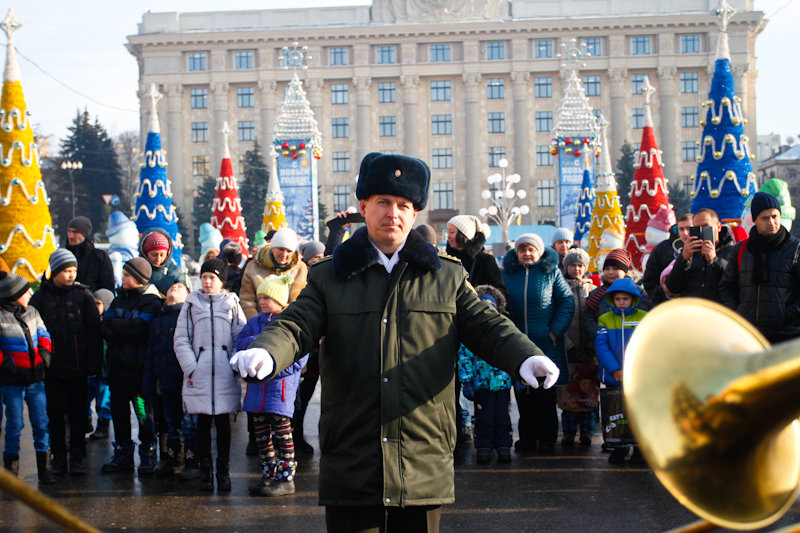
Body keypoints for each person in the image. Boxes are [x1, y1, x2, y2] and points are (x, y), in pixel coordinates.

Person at [231, 152, 559, 532]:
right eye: (383, 202)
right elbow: (295, 325)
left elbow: (487, 326)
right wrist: (266, 351)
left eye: (404, 205)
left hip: (421, 451)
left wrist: (526, 357)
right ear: (363, 207)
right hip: (353, 450)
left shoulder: (445, 277)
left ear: (415, 213)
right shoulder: (331, 277)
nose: (393, 213)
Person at [174, 258, 246, 492]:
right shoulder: (191, 304)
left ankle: (223, 471)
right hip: (200, 374)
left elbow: (241, 337)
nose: (206, 281)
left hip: (225, 374)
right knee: (202, 424)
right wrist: (191, 367)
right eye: (204, 277)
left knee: (223, 425)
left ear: (221, 281)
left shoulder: (232, 303)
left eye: (212, 277)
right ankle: (206, 472)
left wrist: (234, 364)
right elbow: (181, 338)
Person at [30, 249, 102, 475]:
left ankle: (78, 454)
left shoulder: (83, 295)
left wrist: (93, 364)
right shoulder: (40, 298)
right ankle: (58, 455)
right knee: (54, 414)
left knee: (79, 413)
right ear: (55, 271)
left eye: (74, 270)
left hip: (79, 368)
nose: (71, 275)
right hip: (51, 370)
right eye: (66, 271)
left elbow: (94, 332)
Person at [502, 234, 574, 453]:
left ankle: (547, 439)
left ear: (540, 252)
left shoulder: (551, 274)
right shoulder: (507, 275)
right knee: (523, 395)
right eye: (522, 249)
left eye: (531, 249)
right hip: (517, 346)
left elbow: (567, 301)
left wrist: (554, 331)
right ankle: (527, 438)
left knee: (544, 394)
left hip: (545, 345)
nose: (527, 253)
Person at [237, 274, 307, 497]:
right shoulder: (253, 323)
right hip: (256, 394)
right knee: (261, 437)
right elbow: (240, 345)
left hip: (279, 393)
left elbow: (298, 359)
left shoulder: (290, 323)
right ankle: (267, 476)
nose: (262, 302)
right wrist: (258, 346)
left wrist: (272, 366)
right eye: (260, 297)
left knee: (284, 436)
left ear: (280, 300)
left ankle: (286, 478)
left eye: (267, 297)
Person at [101, 257, 162, 474]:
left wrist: (118, 328)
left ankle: (148, 452)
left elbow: (140, 329)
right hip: (117, 371)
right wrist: (123, 328)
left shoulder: (151, 302)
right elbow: (104, 327)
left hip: (138, 373)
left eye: (127, 275)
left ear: (138, 278)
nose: (123, 278)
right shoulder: (119, 300)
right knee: (119, 414)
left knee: (144, 415)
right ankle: (123, 452)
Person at [719, 192, 800, 343]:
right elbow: (727, 286)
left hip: (787, 335)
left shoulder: (795, 248)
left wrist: (787, 314)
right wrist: (739, 313)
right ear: (755, 219)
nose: (771, 222)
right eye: (765, 217)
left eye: (775, 216)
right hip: (748, 335)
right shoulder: (741, 249)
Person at [0, 271, 53, 483]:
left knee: (41, 423)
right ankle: (11, 472)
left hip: (35, 380)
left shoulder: (32, 312)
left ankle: (45, 468)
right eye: (25, 291)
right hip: (13, 381)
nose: (30, 293)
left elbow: (43, 333)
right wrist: (6, 365)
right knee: (14, 426)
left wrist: (45, 352)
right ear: (13, 295)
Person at [458, 286, 513, 464]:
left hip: (502, 384)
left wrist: (518, 377)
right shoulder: (472, 330)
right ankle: (483, 447)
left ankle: (503, 446)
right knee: (483, 417)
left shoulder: (505, 327)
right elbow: (465, 357)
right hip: (482, 384)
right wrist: (466, 382)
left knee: (502, 417)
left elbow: (514, 353)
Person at [595, 277, 648, 464]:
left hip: (638, 378)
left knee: (637, 414)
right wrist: (615, 369)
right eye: (618, 299)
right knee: (615, 414)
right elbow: (601, 347)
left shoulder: (643, 317)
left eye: (625, 299)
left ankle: (639, 449)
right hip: (614, 378)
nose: (621, 302)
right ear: (612, 300)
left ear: (633, 299)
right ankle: (618, 447)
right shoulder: (605, 319)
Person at [142, 282, 190, 477]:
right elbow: (151, 353)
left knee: (185, 422)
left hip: (183, 379)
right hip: (164, 379)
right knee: (170, 423)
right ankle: (173, 458)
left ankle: (187, 460)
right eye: (172, 286)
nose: (174, 288)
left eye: (180, 287)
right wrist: (149, 381)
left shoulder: (187, 316)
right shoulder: (158, 320)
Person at [559, 248, 599, 447]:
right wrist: (568, 346)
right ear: (566, 267)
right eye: (573, 265)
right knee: (569, 396)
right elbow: (557, 320)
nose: (576, 269)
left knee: (588, 396)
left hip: (590, 353)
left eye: (580, 265)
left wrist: (592, 347)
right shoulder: (560, 289)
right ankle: (568, 433)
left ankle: (587, 433)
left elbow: (598, 320)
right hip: (569, 352)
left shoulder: (593, 290)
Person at [663, 208, 735, 303]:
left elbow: (734, 283)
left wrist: (714, 261)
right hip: (693, 313)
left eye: (706, 227)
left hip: (720, 312)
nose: (702, 232)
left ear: (718, 227)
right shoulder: (689, 253)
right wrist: (683, 260)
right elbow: (673, 288)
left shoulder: (732, 251)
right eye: (697, 228)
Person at [240, 227, 308, 321]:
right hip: (260, 327)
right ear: (272, 248)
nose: (284, 254)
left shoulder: (300, 268)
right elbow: (247, 301)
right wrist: (256, 325)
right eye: (281, 249)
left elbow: (302, 301)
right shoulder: (253, 267)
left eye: (289, 251)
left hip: (290, 325)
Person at [446, 215, 508, 301]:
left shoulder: (485, 260)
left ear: (465, 235)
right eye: (447, 232)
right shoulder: (447, 260)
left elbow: (500, 293)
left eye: (452, 232)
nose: (448, 236)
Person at [642, 213, 692, 305]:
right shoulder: (662, 249)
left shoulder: (703, 248)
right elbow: (650, 280)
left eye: (689, 228)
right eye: (681, 229)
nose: (685, 233)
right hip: (666, 304)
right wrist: (660, 297)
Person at [88, 289, 114, 440]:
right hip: (90, 369)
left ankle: (103, 425)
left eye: (98, 303)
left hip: (104, 371)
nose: (94, 306)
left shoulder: (108, 324)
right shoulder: (89, 322)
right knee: (84, 396)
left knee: (104, 399)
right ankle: (86, 420)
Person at [65, 216, 114, 293]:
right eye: (69, 231)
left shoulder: (99, 257)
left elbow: (107, 290)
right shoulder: (63, 256)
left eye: (75, 232)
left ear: (84, 234)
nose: (70, 236)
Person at [139, 228, 186, 297]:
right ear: (146, 253)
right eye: (154, 255)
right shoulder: (138, 271)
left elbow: (182, 296)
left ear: (168, 253)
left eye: (162, 255)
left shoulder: (175, 272)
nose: (158, 259)